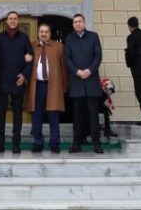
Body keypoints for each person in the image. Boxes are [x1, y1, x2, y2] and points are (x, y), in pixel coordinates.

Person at [63, 13, 103, 154]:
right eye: (75, 22)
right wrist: (77, 71)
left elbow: (98, 56)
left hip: (91, 81)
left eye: (80, 21)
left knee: (93, 115)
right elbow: (67, 58)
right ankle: (76, 143)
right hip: (77, 82)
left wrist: (89, 70)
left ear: (84, 23)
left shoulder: (93, 36)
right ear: (73, 24)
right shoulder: (69, 39)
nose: (78, 24)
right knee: (77, 116)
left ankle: (96, 143)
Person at [25, 23, 68, 153]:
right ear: (38, 33)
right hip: (36, 86)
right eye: (41, 32)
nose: (43, 34)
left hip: (53, 86)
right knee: (37, 115)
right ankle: (38, 142)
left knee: (53, 115)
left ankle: (54, 143)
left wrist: (64, 86)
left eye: (46, 32)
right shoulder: (31, 46)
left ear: (50, 33)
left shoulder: (59, 47)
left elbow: (64, 68)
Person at [0, 11, 32, 154]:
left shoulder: (24, 38)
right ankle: (0, 144)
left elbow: (30, 58)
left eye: (15, 18)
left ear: (18, 20)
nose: (13, 20)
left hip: (18, 82)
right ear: (7, 21)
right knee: (0, 115)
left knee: (17, 114)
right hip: (2, 82)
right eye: (10, 18)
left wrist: (25, 74)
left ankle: (16, 144)